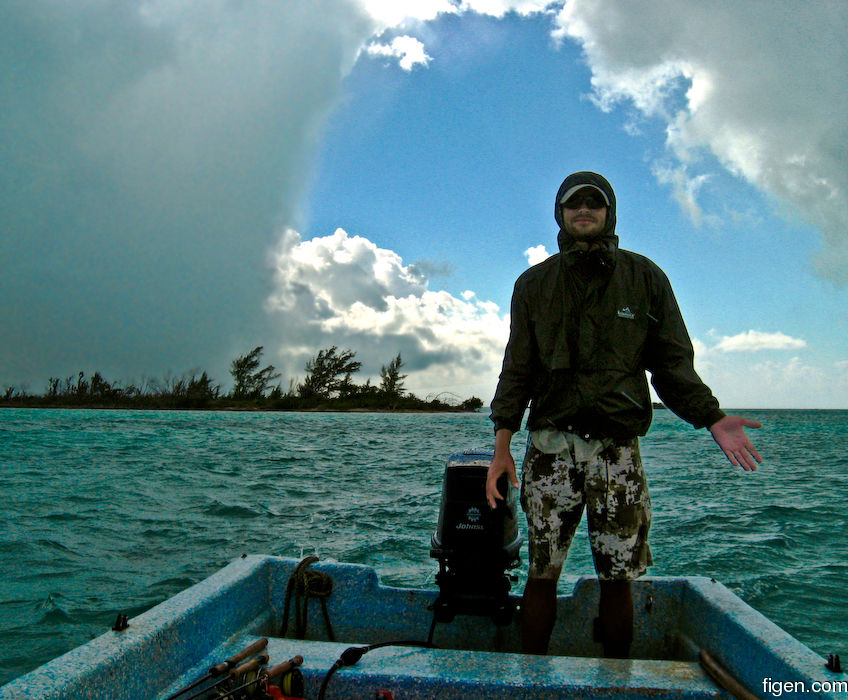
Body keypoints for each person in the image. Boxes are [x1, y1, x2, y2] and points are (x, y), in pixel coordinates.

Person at [485, 170, 762, 659]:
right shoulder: (533, 284)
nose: (584, 210)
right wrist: (501, 447)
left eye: (595, 202)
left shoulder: (645, 277)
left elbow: (672, 365)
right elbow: (517, 370)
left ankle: (616, 681)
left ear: (610, 212)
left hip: (618, 453)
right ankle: (529, 681)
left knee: (618, 580)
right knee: (540, 573)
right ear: (561, 213)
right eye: (575, 204)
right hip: (549, 450)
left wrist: (712, 417)